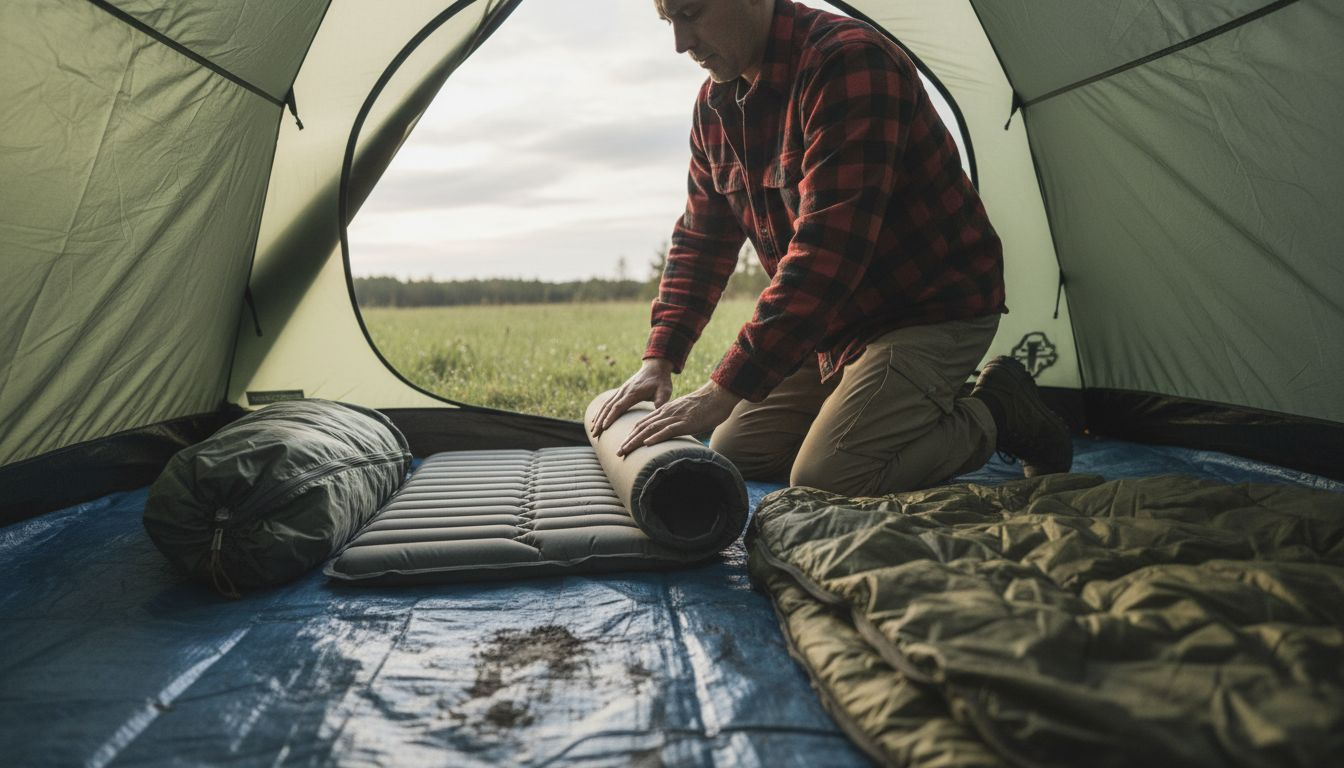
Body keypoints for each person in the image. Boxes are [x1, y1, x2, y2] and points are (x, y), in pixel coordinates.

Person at [592, 0, 1071, 495]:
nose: (680, 43)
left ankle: (998, 409)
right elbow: (702, 237)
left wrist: (722, 388)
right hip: (833, 325)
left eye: (691, 13)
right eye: (669, 21)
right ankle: (881, 408)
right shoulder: (714, 108)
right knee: (738, 450)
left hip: (927, 310)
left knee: (828, 477)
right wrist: (661, 356)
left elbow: (828, 251)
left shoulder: (847, 62)